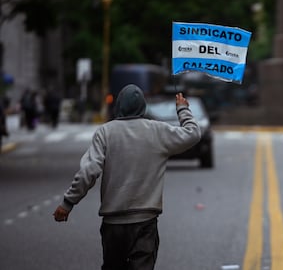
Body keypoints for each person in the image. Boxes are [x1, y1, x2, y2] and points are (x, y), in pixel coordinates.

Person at [53, 84, 201, 270]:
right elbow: (193, 134)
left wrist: (68, 203)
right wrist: (183, 109)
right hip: (145, 222)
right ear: (143, 107)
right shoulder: (157, 130)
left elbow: (89, 171)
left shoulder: (105, 132)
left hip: (113, 223)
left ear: (118, 106)